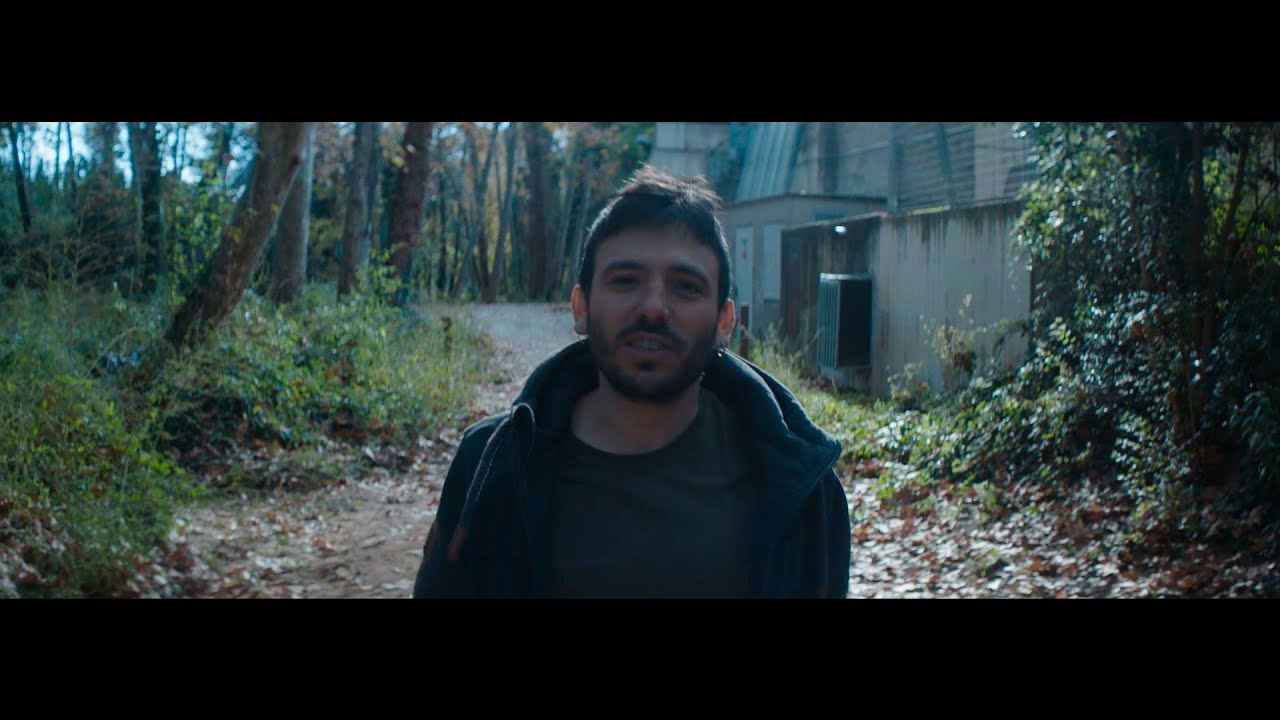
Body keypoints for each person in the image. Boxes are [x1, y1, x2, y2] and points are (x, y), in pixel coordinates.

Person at [412, 165, 850, 598]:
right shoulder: (493, 465)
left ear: (724, 322)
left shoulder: (803, 488)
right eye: (625, 281)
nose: (654, 308)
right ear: (581, 308)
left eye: (686, 287)